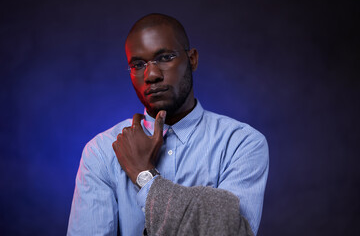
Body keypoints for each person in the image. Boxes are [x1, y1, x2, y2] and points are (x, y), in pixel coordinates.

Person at [67, 13, 269, 236]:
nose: (151, 74)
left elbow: (231, 233)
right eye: (138, 64)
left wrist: (144, 174)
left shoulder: (242, 143)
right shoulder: (102, 151)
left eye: (164, 57)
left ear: (192, 59)